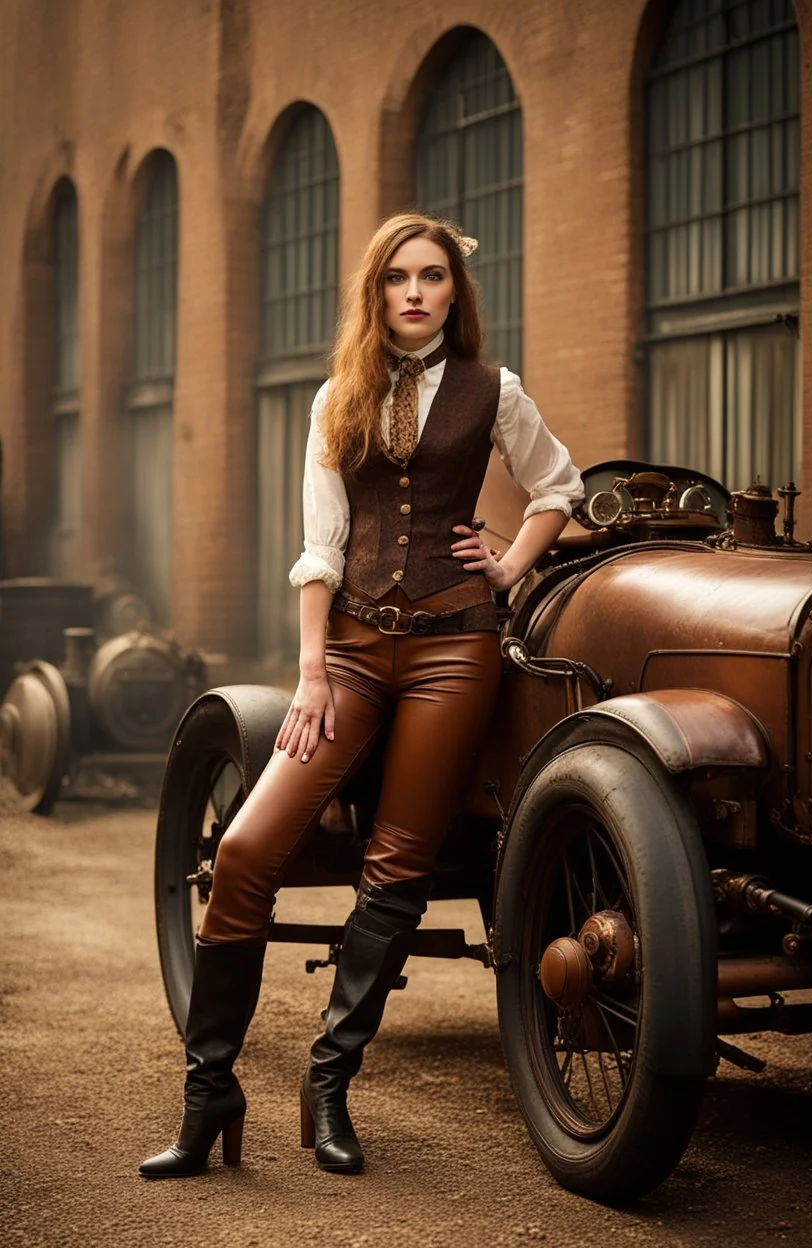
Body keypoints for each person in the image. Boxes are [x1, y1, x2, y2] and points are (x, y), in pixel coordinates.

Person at [139, 212, 584, 1180]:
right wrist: (308, 671)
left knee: (396, 869)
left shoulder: (492, 390)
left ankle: (331, 1085)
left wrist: (509, 562)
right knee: (252, 847)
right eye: (398, 277)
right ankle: (208, 1094)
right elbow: (320, 548)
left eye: (433, 277)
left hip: (455, 650)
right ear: (373, 292)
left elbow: (559, 485)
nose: (417, 292)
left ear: (455, 294)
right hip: (347, 651)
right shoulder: (337, 396)